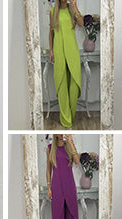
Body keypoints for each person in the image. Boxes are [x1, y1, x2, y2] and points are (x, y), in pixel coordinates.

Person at [46, 135, 80, 219]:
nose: (61, 134)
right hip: (56, 187)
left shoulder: (70, 147)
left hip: (70, 186)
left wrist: (70, 141)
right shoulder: (50, 148)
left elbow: (77, 161)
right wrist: (49, 188)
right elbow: (48, 169)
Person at [49, 0, 84, 128]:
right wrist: (51, 51)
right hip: (58, 50)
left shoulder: (72, 10)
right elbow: (51, 32)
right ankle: (65, 119)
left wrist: (75, 5)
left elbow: (81, 24)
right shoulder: (53, 11)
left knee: (74, 83)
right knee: (61, 82)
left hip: (72, 49)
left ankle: (71, 116)